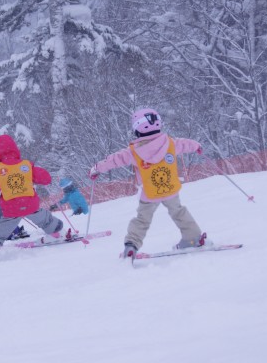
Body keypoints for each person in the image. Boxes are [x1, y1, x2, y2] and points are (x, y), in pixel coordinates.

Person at [89, 107, 209, 260]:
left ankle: (132, 245)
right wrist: (197, 146)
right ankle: (193, 238)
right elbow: (186, 144)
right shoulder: (171, 143)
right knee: (178, 211)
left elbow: (115, 159)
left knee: (142, 219)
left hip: (150, 193)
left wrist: (97, 168)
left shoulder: (133, 152)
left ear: (136, 129)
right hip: (170, 188)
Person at [0, 134, 67, 266]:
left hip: (11, 209)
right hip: (30, 204)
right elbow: (45, 178)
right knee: (44, 219)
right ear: (15, 149)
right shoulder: (25, 165)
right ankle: (57, 232)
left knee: (0, 232)